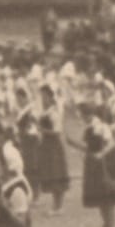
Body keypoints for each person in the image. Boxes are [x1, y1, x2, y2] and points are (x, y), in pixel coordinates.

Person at [72, 106, 115, 227]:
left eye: (82, 115)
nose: (81, 117)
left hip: (103, 163)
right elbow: (88, 147)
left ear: (88, 114)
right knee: (99, 194)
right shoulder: (89, 128)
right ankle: (106, 225)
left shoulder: (101, 126)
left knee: (106, 194)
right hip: (93, 163)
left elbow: (111, 144)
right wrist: (73, 144)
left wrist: (101, 154)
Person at [33, 83, 72, 214]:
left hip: (54, 145)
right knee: (51, 173)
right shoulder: (46, 112)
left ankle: (59, 206)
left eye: (45, 97)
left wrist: (42, 130)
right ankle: (55, 205)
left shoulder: (54, 112)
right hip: (47, 145)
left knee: (57, 173)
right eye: (42, 97)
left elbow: (57, 131)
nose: (43, 99)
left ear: (50, 97)